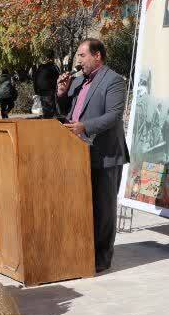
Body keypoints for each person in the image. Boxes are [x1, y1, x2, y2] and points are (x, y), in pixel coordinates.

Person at [56, 38, 130, 273]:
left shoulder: (114, 80)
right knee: (82, 206)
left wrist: (84, 126)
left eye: (82, 55)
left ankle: (102, 258)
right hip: (78, 154)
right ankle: (82, 250)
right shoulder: (78, 82)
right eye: (78, 56)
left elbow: (113, 116)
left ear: (97, 56)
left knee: (103, 208)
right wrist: (62, 93)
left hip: (105, 154)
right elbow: (67, 112)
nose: (78, 61)